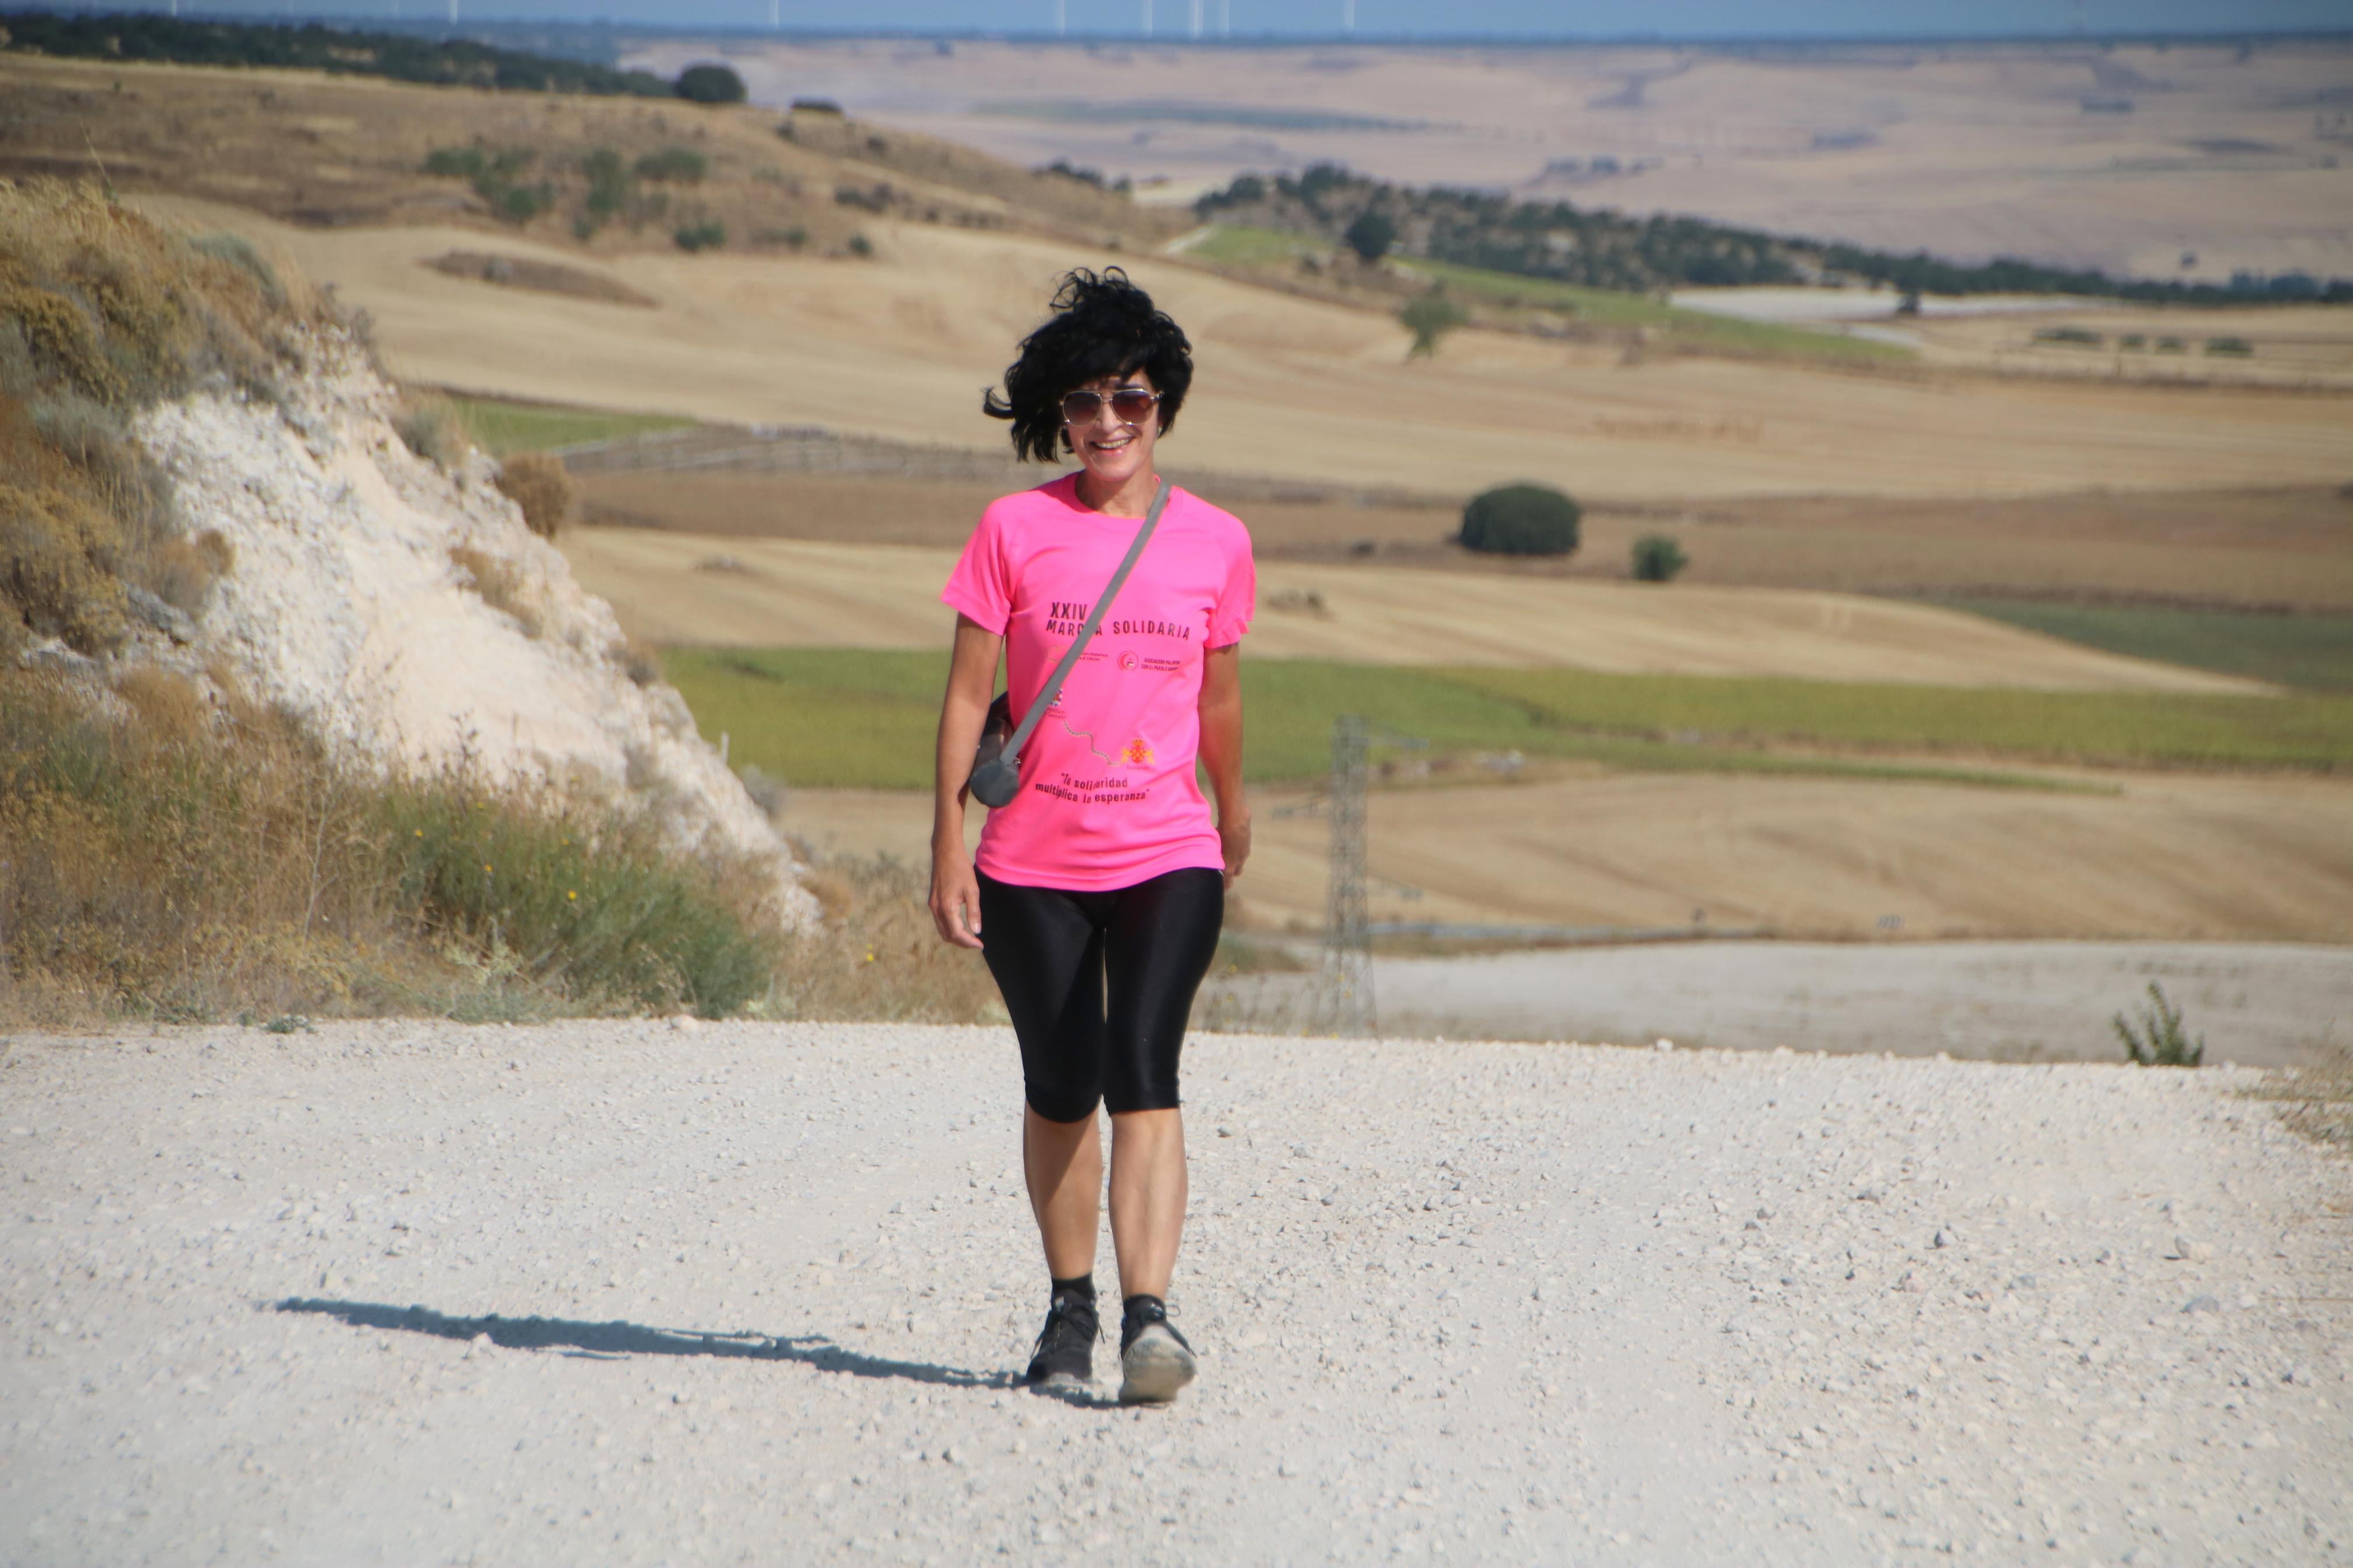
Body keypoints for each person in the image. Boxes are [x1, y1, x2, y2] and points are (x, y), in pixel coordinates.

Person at [929, 268, 1254, 1405]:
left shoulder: (1217, 540)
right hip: (1031, 864)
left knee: (1143, 1066)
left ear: (1164, 402)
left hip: (1171, 848)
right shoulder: (1014, 529)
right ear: (1055, 415)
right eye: (1084, 402)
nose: (1108, 421)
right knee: (1061, 1084)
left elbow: (1217, 697)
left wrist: (1236, 804)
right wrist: (945, 844)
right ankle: (1069, 1306)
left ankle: (1148, 1320)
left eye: (1130, 397)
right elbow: (969, 699)